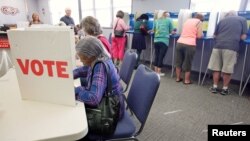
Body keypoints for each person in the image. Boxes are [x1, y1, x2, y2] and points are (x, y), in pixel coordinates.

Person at [74, 36, 124, 139]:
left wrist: (77, 90)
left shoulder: (100, 66)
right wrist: (67, 75)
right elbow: (83, 70)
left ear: (90, 55)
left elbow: (93, 98)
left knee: (75, 122)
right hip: (113, 104)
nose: (81, 60)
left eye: (82, 57)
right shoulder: (100, 58)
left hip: (110, 112)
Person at [208, 11, 248, 95]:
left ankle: (214, 87)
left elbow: (215, 35)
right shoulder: (243, 20)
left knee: (216, 68)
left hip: (218, 46)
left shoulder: (222, 20)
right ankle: (224, 89)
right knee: (227, 69)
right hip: (231, 47)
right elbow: (243, 36)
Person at [175, 13, 204, 84]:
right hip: (190, 44)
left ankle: (178, 78)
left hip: (180, 42)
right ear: (201, 19)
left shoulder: (187, 21)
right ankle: (186, 80)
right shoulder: (199, 22)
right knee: (188, 62)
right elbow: (199, 36)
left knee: (178, 61)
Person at [153, 11, 174, 76]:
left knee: (157, 55)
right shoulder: (169, 20)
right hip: (164, 40)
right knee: (161, 56)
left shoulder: (156, 21)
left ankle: (155, 71)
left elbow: (154, 30)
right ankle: (159, 72)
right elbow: (171, 31)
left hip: (156, 40)